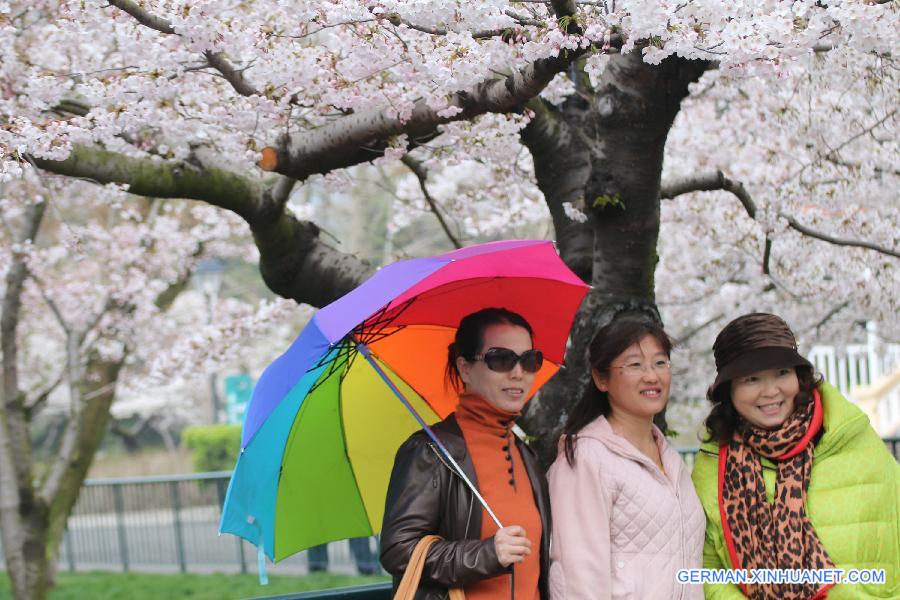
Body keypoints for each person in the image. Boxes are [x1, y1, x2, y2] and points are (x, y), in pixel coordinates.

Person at [691, 313, 900, 599]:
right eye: (752, 379)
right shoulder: (713, 463)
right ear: (729, 391)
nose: (771, 391)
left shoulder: (851, 437)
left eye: (782, 373)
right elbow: (708, 570)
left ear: (799, 377)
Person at [380, 308, 552, 599]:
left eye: (529, 359)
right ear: (465, 368)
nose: (518, 373)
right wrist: (486, 554)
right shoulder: (430, 451)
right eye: (501, 358)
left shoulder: (527, 455)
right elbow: (397, 550)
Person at [547, 315, 705, 600]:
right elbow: (578, 579)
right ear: (600, 378)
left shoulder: (670, 457)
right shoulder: (585, 458)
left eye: (660, 362)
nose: (652, 376)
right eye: (635, 365)